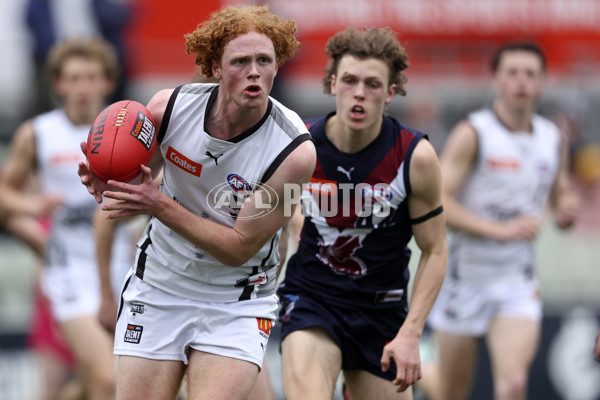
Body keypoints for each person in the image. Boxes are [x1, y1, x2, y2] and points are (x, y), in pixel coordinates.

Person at [77, 5, 315, 400]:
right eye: (240, 61)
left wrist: (157, 205)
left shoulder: (294, 152)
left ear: (278, 66)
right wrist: (105, 183)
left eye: (264, 60)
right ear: (216, 68)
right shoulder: (168, 110)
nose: (254, 71)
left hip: (237, 300)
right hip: (159, 286)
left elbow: (238, 248)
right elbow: (129, 188)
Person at [276, 26, 448, 400]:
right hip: (312, 299)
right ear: (332, 84)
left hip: (381, 311)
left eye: (372, 85)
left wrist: (411, 334)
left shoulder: (414, 156)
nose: (359, 94)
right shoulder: (300, 146)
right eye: (350, 80)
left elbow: (435, 251)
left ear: (389, 94)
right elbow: (267, 220)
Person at [420, 42, 579, 400]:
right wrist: (501, 231)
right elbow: (437, 203)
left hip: (516, 282)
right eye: (513, 73)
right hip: (465, 280)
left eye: (530, 74)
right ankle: (422, 375)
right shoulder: (474, 133)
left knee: (514, 384)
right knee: (449, 392)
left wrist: (566, 210)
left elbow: (560, 198)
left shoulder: (553, 139)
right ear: (496, 79)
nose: (521, 82)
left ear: (542, 83)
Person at [0, 37, 134, 400]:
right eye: (73, 79)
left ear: (107, 81)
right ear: (58, 83)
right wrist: (31, 207)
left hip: (122, 268)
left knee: (108, 381)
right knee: (109, 381)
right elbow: (5, 193)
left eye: (91, 77)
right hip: (67, 274)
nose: (82, 88)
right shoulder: (38, 133)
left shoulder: (128, 131)